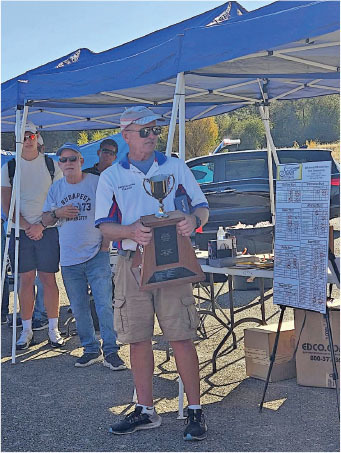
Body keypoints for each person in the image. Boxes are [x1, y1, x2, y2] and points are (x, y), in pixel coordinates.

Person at [95, 106, 209, 441]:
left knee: (180, 336)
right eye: (145, 131)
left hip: (173, 262)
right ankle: (145, 410)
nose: (152, 136)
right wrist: (129, 230)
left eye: (156, 130)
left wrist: (195, 220)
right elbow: (104, 226)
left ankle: (195, 410)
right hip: (132, 265)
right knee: (137, 338)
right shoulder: (111, 176)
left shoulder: (174, 166)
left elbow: (201, 205)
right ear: (126, 134)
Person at [42, 143, 126, 371]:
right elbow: (45, 221)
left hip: (96, 253)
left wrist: (106, 244)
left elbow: (111, 213)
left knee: (104, 306)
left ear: (81, 161)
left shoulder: (95, 183)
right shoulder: (56, 189)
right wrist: (57, 213)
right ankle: (90, 349)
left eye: (73, 159)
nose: (68, 163)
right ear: (59, 164)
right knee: (79, 308)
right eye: (64, 160)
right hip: (69, 259)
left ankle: (111, 351)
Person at [1, 121, 64, 350]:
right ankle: (26, 330)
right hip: (20, 232)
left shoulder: (51, 165)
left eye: (31, 135)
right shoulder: (9, 168)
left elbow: (59, 200)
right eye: (23, 136)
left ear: (38, 137)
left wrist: (42, 225)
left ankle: (53, 329)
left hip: (48, 230)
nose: (28, 140)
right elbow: (8, 206)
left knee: (49, 280)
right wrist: (29, 226)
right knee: (25, 280)